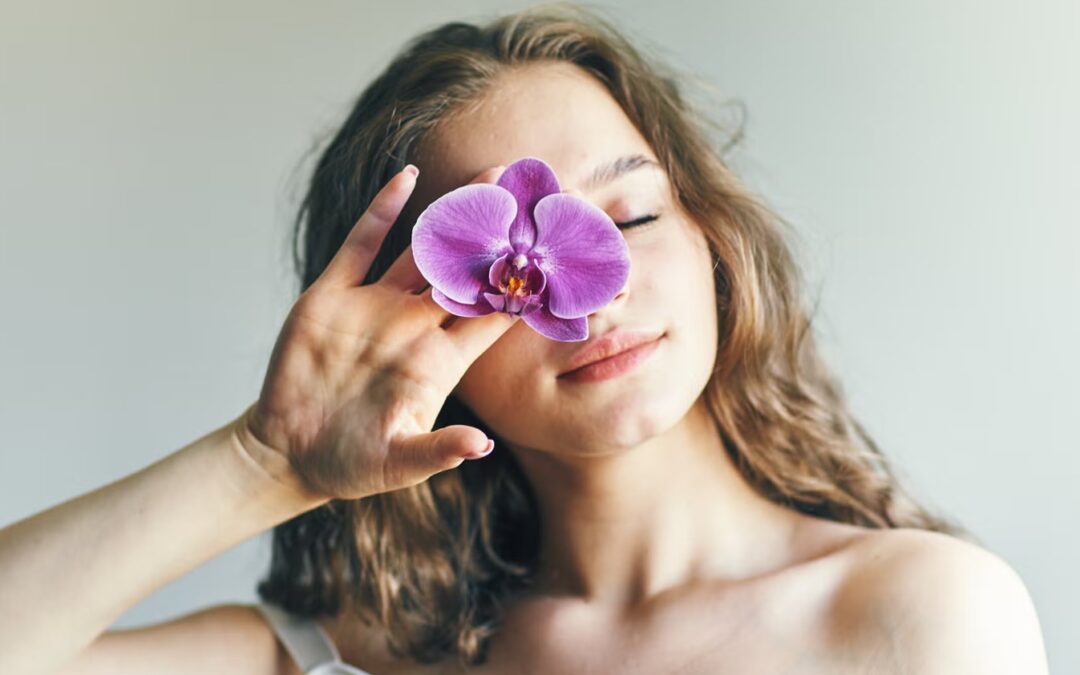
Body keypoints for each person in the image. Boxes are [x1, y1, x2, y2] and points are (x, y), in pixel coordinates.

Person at [0, 5, 1048, 675]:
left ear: (715, 239)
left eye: (629, 218)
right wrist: (261, 462)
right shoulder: (368, 655)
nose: (584, 305)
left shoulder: (914, 612)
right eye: (496, 277)